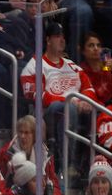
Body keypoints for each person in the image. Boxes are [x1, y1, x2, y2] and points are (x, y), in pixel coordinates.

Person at [20, 22, 95, 170]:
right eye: (57, 36)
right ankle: (68, 163)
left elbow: (89, 87)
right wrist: (70, 101)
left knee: (95, 110)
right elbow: (38, 95)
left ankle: (88, 164)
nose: (62, 40)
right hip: (49, 113)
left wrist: (86, 101)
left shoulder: (72, 65)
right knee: (63, 107)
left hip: (76, 109)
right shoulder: (35, 64)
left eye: (63, 37)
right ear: (48, 40)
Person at [79, 31, 112, 105]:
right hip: (95, 109)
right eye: (91, 45)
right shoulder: (81, 70)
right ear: (82, 51)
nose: (96, 48)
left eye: (98, 45)